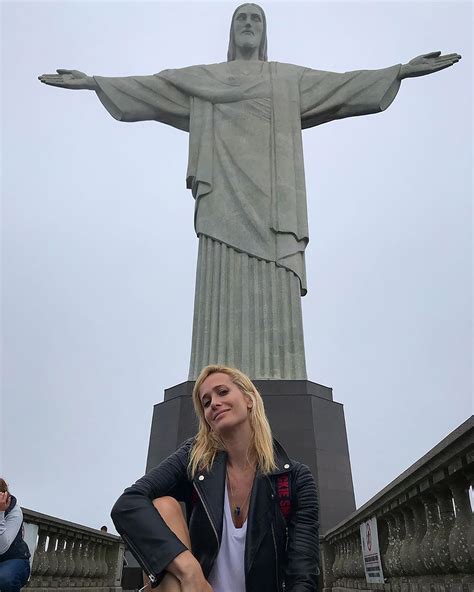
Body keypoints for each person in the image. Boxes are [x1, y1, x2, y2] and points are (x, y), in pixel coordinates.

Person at [38, 4, 461, 382]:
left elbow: (343, 87)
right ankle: (214, 377)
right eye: (240, 18)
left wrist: (400, 71)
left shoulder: (286, 78)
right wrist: (95, 82)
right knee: (218, 284)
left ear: (264, 33)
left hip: (275, 207)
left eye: (255, 19)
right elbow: (152, 89)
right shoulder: (205, 80)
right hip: (222, 197)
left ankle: (279, 373)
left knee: (276, 286)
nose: (247, 24)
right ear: (230, 32)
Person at [111, 365, 319, 591]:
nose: (214, 404)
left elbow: (303, 574)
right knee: (164, 506)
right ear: (207, 419)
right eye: (206, 402)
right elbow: (128, 503)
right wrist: (188, 567)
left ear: (249, 399)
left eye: (222, 392)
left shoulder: (295, 478)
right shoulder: (194, 459)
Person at [0, 479, 31, 592]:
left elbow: (1, 547)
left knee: (5, 578)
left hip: (15, 560)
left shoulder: (15, 512)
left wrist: (0, 513)